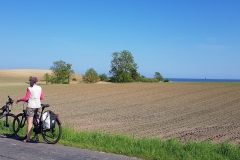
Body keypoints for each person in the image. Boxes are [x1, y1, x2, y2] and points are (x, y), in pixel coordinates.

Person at [16, 77, 44, 142]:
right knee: (37, 123)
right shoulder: (40, 88)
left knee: (30, 123)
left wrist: (19, 99)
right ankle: (37, 138)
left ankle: (28, 138)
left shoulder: (29, 89)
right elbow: (42, 97)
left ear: (31, 82)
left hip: (31, 106)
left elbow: (26, 98)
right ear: (36, 82)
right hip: (38, 106)